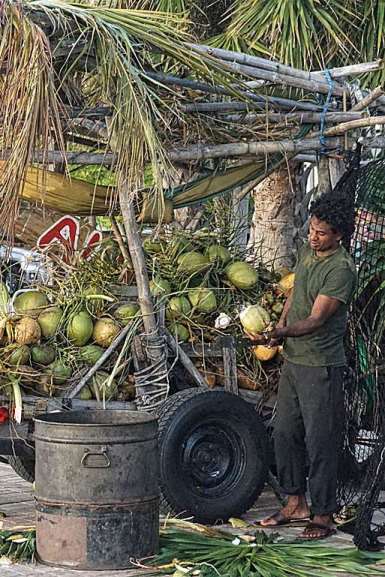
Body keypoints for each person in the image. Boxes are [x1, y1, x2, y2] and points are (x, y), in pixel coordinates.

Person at [247, 190, 357, 540]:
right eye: (311, 229)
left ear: (339, 234)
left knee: (320, 439)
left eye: (321, 232)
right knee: (284, 433)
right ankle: (296, 502)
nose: (313, 236)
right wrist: (277, 332)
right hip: (295, 361)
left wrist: (284, 330)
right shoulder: (309, 252)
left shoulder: (341, 269)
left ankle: (323, 513)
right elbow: (295, 295)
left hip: (320, 365)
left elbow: (315, 319)